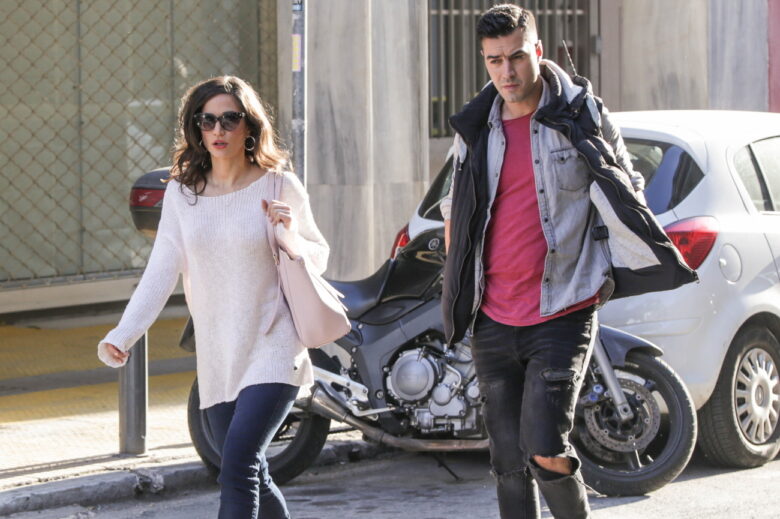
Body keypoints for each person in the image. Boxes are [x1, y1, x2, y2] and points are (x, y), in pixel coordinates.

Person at [440, 5, 695, 519]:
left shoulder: (580, 114)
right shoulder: (475, 127)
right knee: (508, 463)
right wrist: (458, 283)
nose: (507, 72)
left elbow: (626, 190)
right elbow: (456, 208)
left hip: (563, 307)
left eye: (516, 56)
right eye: (494, 61)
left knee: (545, 449)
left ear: (537, 50)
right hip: (492, 314)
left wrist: (611, 265)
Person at [97, 75, 329, 519]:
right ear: (196, 129)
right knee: (249, 471)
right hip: (219, 355)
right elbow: (161, 271)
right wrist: (124, 334)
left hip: (275, 345)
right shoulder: (183, 195)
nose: (218, 130)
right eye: (207, 121)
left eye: (229, 119)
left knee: (237, 467)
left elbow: (318, 257)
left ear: (249, 126)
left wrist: (290, 234)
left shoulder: (279, 186)